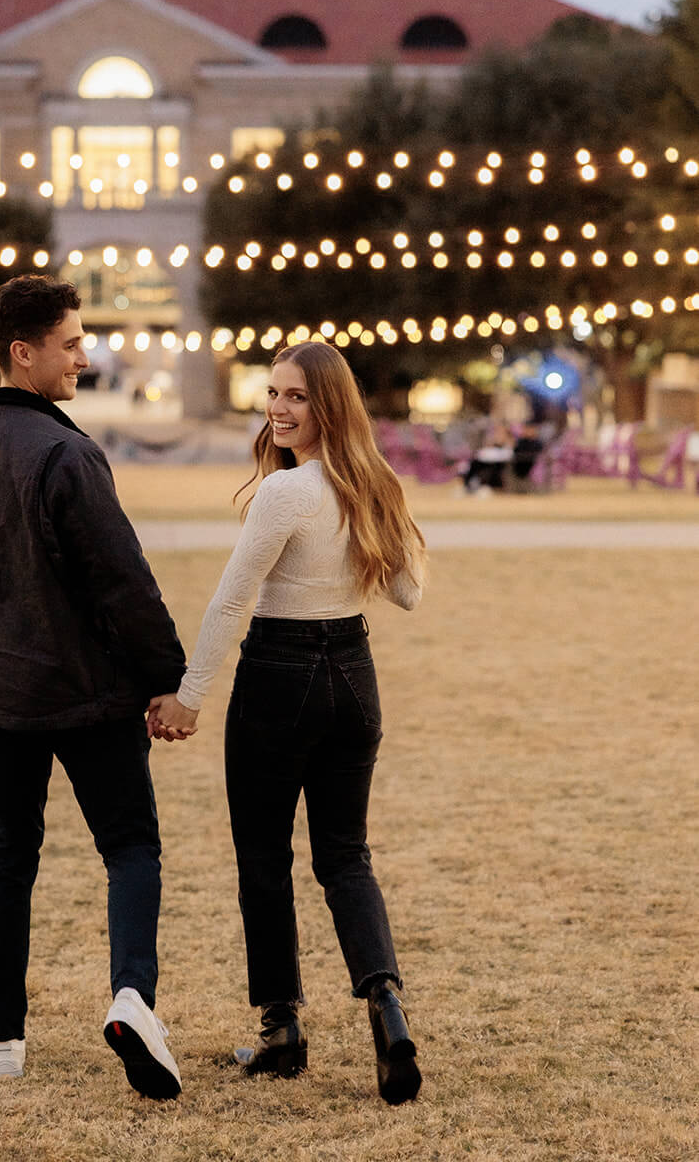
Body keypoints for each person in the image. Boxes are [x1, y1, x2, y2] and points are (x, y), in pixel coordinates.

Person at [0, 275, 187, 1099]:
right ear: (20, 353)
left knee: (8, 855)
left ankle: (2, 1040)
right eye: (70, 343)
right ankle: (132, 998)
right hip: (89, 692)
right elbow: (122, 582)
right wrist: (165, 678)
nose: (84, 355)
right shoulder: (66, 453)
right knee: (130, 846)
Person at [151, 340, 426, 1103]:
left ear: (326, 406)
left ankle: (282, 1031)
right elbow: (407, 594)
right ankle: (386, 1007)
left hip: (280, 675)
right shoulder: (374, 482)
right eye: (271, 393)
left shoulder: (287, 494)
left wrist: (190, 694)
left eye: (296, 396)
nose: (276, 408)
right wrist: (386, 514)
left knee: (264, 857)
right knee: (345, 856)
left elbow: (231, 599)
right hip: (353, 675)